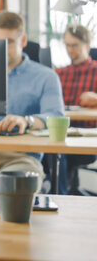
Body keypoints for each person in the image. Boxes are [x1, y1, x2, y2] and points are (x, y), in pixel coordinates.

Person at [0, 11, 64, 188]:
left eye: (9, 42)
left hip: (22, 156)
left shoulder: (46, 76)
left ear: (23, 40)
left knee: (12, 192)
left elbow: (56, 116)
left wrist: (27, 120)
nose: (1, 48)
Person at [55, 24, 97, 194]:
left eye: (75, 45)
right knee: (54, 152)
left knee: (60, 154)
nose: (70, 49)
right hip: (61, 132)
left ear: (87, 45)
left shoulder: (95, 70)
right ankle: (58, 194)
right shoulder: (59, 73)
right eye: (67, 45)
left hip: (87, 135)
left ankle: (61, 197)